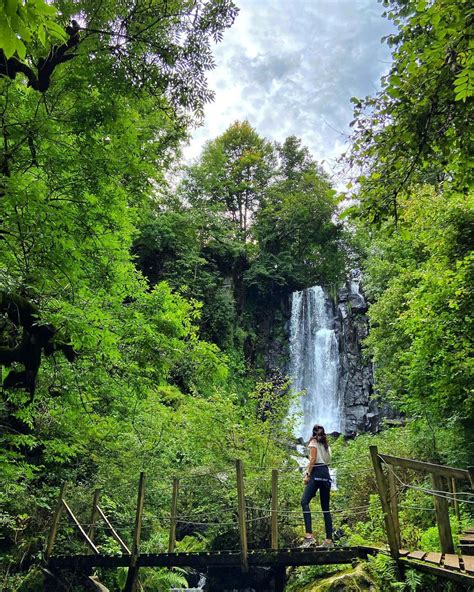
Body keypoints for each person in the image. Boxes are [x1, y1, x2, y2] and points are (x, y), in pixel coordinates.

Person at [300, 424, 333, 548]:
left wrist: (308, 474)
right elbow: (328, 461)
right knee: (326, 508)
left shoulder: (313, 442)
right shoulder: (326, 446)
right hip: (326, 474)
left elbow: (313, 459)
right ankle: (329, 541)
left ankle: (309, 537)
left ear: (313, 433)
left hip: (316, 473)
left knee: (304, 501)